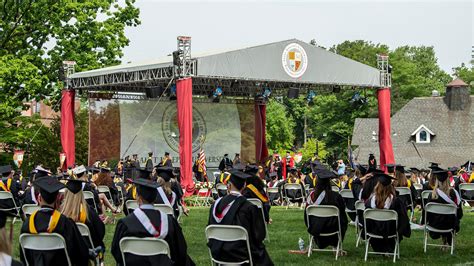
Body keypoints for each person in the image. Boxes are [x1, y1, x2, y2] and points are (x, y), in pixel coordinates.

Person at [112, 178, 195, 266]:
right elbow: (180, 250)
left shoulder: (125, 223)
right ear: (155, 198)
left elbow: (117, 252)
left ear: (138, 198)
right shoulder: (169, 221)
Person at [208, 170, 273, 265]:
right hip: (241, 254)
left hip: (218, 252)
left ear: (229, 186)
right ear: (244, 186)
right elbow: (259, 236)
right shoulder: (249, 207)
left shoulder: (215, 205)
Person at [20, 176, 90, 266]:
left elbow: (24, 256)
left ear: (39, 199)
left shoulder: (27, 223)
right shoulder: (65, 223)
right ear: (57, 199)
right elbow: (81, 253)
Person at [364, 173, 411, 254]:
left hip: (373, 234)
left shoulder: (369, 201)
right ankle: (389, 248)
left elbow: (365, 220)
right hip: (391, 235)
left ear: (377, 186)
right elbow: (403, 220)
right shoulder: (396, 202)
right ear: (390, 186)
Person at [305, 167, 348, 256]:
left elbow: (306, 216)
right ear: (329, 182)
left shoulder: (312, 196)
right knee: (343, 219)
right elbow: (343, 215)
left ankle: (315, 243)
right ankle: (336, 247)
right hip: (333, 228)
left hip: (315, 229)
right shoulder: (336, 196)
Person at [426, 167, 463, 248]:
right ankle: (446, 240)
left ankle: (444, 242)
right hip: (450, 225)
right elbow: (459, 213)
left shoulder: (432, 195)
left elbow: (426, 213)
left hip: (435, 225)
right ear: (447, 180)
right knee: (450, 217)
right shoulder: (453, 193)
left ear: (437, 181)